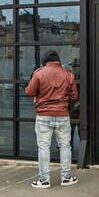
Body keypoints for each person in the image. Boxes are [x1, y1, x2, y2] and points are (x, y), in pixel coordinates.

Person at [25, 49, 79, 189]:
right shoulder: (68, 74)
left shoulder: (39, 73)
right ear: (58, 61)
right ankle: (66, 178)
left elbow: (29, 92)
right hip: (62, 114)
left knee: (43, 147)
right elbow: (74, 96)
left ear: (45, 60)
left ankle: (44, 180)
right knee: (65, 146)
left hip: (43, 115)